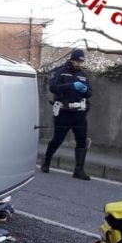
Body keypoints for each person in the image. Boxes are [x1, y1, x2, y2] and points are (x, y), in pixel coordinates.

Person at [42, 48, 93, 180]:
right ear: (72, 59)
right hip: (64, 112)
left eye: (81, 62)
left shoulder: (83, 74)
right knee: (57, 140)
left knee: (82, 141)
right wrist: (71, 85)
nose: (79, 64)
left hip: (79, 113)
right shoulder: (60, 71)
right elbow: (53, 87)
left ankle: (78, 170)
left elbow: (89, 93)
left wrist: (85, 90)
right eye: (77, 61)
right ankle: (46, 162)